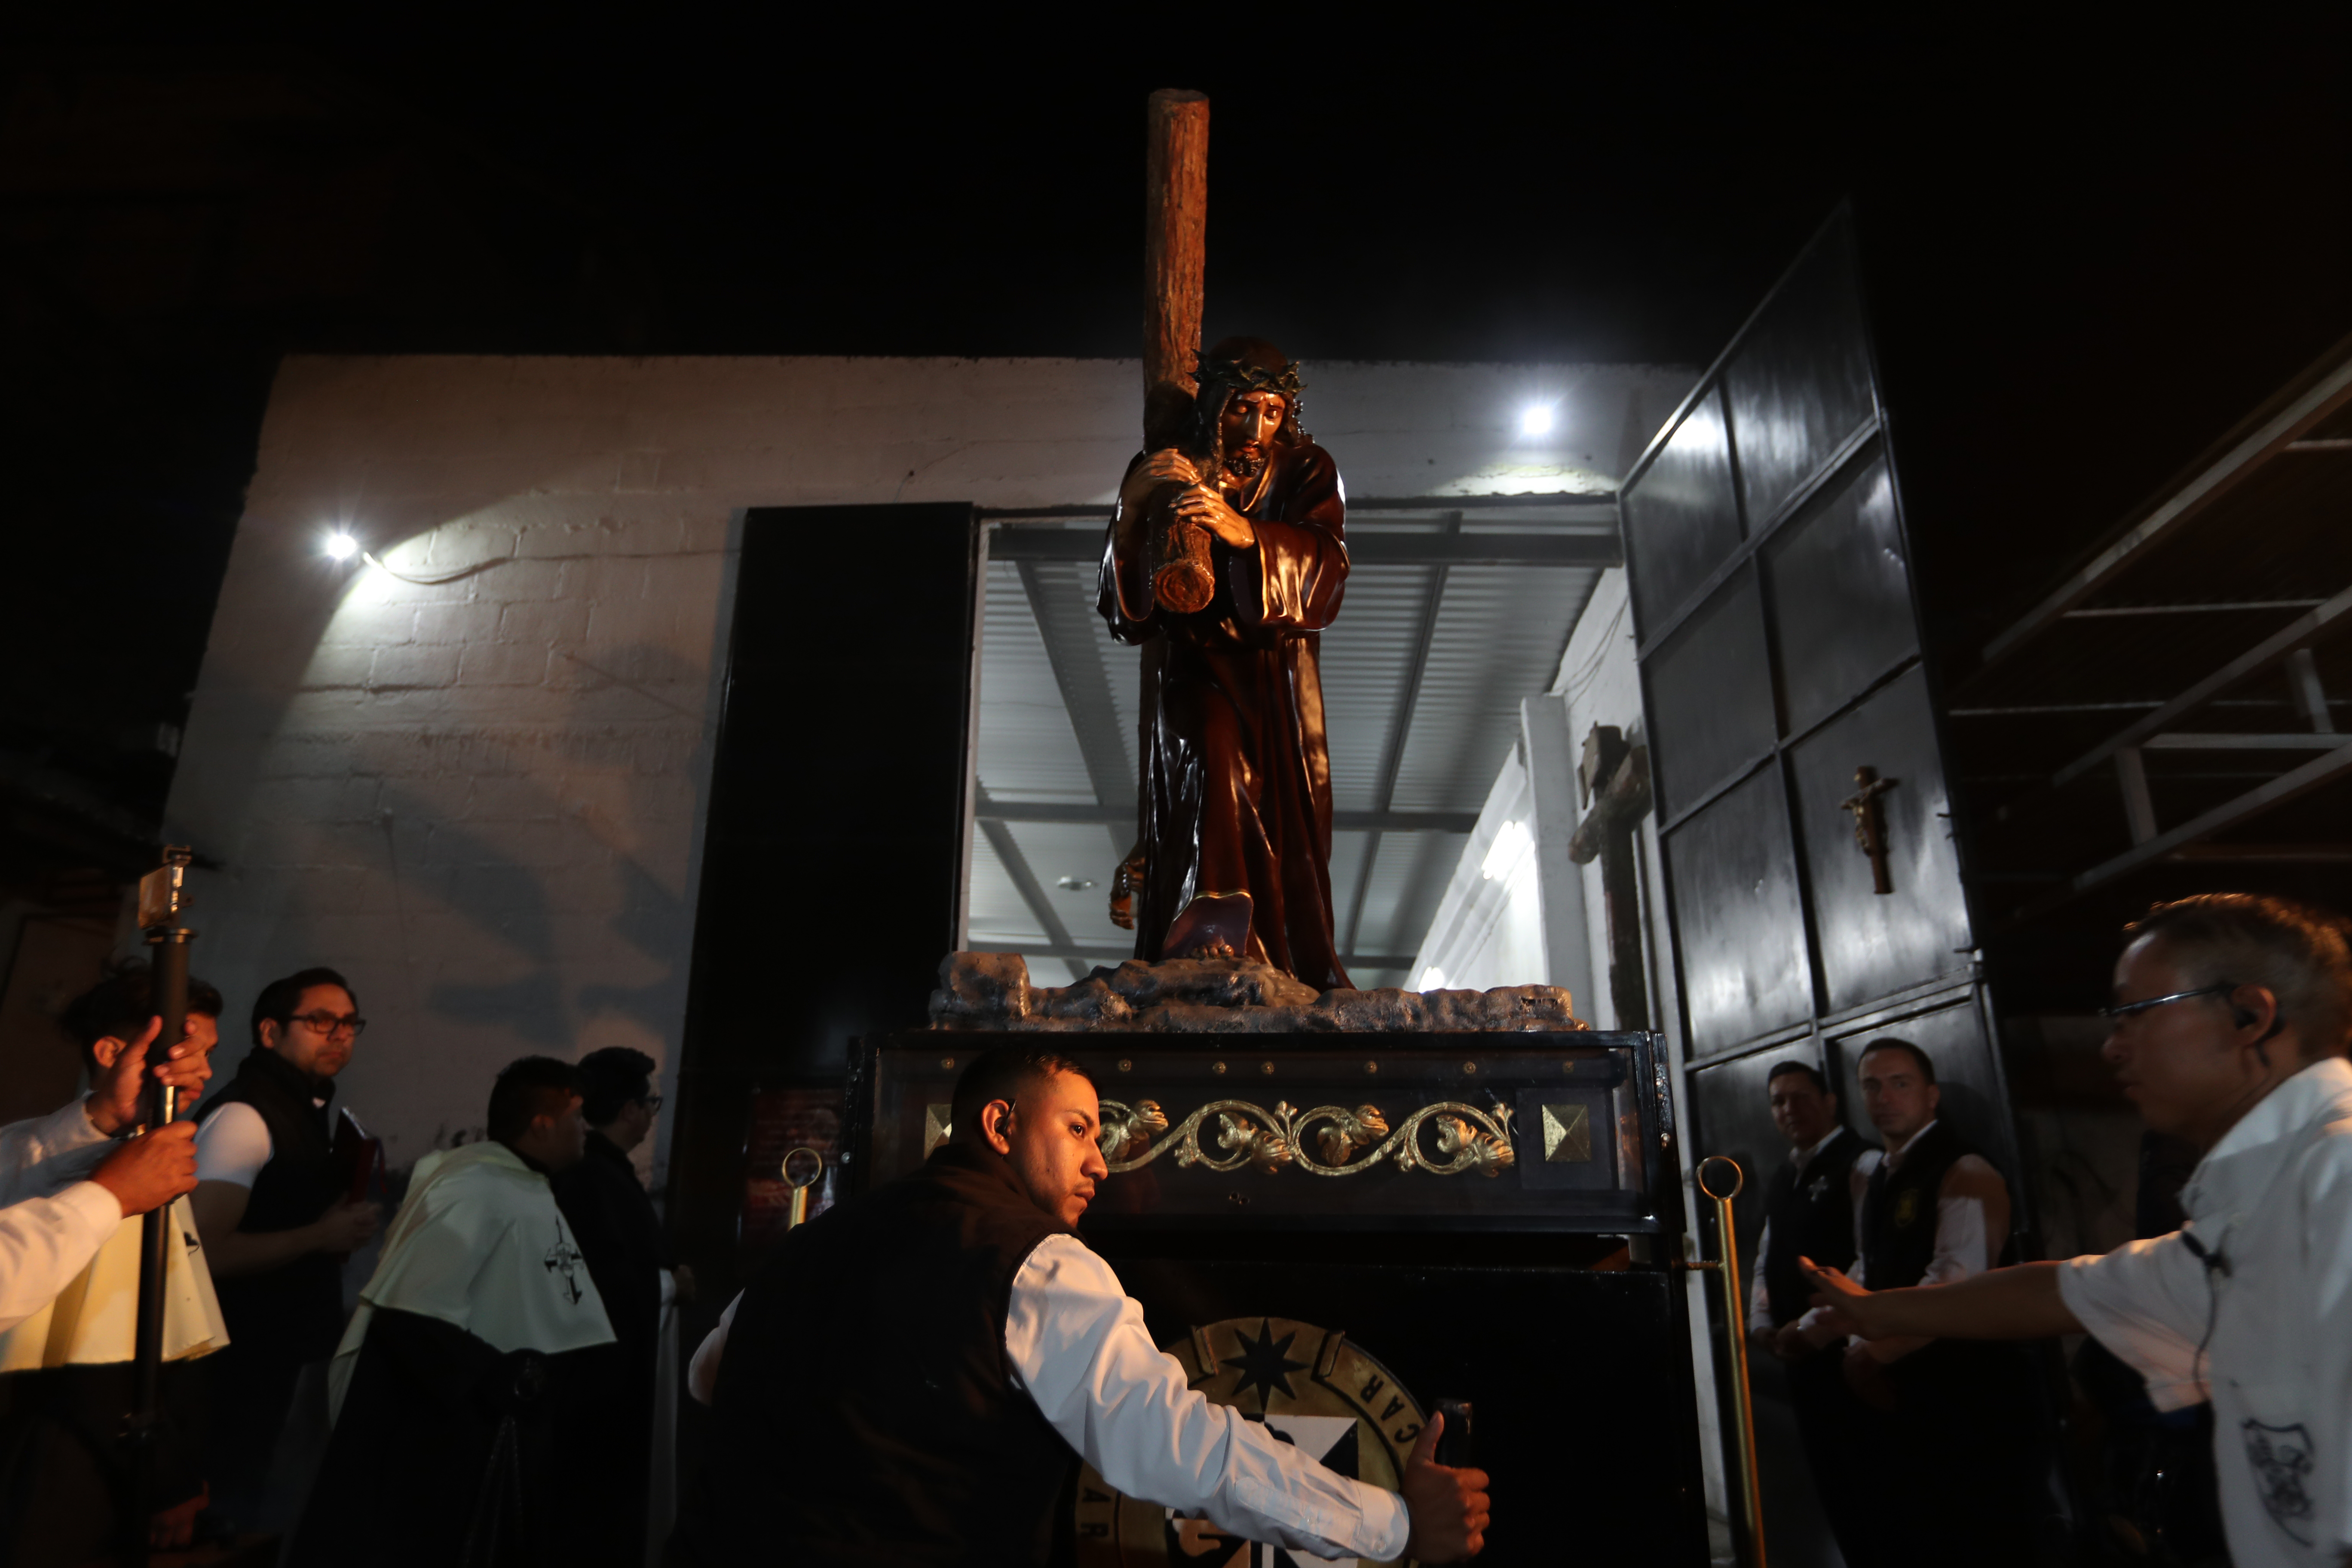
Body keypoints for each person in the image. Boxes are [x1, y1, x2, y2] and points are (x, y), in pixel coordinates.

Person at [676, 1044, 1490, 1565]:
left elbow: (708, 1376)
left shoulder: (812, 1244)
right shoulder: (1034, 1263)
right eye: (1078, 1129)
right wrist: (1393, 1522)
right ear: (998, 1122)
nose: (1100, 1164)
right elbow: (1187, 1450)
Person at [1808, 893, 2352, 1568]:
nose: (2111, 1047)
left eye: (2132, 1014)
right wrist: (1873, 1311)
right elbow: (2067, 1291)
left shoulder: (2338, 1177)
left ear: (2250, 1015)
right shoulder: (2251, 1207)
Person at [1098, 337, 1354, 986]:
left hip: (1275, 678)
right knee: (1211, 756)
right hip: (1194, 667)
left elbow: (1329, 570)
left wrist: (1249, 535)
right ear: (1215, 404)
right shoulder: (1168, 465)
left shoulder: (1305, 470)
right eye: (1243, 409)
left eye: (1271, 412)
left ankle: (1271, 953)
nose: (1257, 428)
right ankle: (1211, 914)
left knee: (1280, 824)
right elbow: (1127, 615)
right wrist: (1130, 514)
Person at [289, 1056, 614, 1568]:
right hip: (445, 1436)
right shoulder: (474, 1187)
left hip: (487, 1424)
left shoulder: (521, 1182)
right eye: (578, 1117)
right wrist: (504, 1376)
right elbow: (412, 1316)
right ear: (543, 1124)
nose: (586, 1129)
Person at [0, 964, 227, 1562]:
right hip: (72, 1455)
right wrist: (166, 1478)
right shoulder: (111, 1171)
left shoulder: (144, 1155)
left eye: (208, 1053)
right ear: (110, 1051)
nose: (203, 1071)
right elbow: (92, 1357)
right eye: (185, 1051)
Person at [190, 965, 383, 1531]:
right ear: (270, 1033)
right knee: (219, 1511)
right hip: (225, 1368)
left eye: (349, 1022)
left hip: (269, 1352)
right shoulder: (245, 1117)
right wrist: (319, 1236)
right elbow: (202, 1252)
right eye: (321, 1020)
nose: (340, 1033)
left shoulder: (306, 1107)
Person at [550, 1046, 681, 1567]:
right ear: (630, 1110)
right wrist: (670, 1285)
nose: (653, 1113)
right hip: (598, 1383)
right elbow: (603, 1280)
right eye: (652, 1102)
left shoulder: (605, 1174)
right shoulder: (591, 1179)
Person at [1744, 1060, 1878, 1563]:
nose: (1789, 1109)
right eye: (1779, 1100)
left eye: (1800, 1097)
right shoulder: (1787, 1173)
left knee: (1870, 1490)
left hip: (1850, 1355)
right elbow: (1768, 1254)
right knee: (1835, 1490)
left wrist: (1810, 1329)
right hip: (1800, 1363)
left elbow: (1870, 1259)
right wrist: (1761, 1323)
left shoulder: (1861, 1163)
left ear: (1829, 1102)